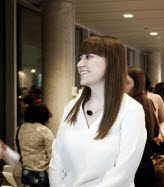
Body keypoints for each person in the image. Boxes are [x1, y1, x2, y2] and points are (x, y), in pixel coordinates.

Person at [49, 36, 147, 187]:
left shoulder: (131, 110)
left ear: (111, 61)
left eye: (88, 57)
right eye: (80, 57)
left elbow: (123, 173)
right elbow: (56, 162)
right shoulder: (72, 107)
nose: (79, 64)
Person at [126, 66, 158, 187]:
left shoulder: (130, 105)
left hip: (134, 165)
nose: (123, 85)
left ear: (137, 85)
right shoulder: (147, 102)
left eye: (127, 82)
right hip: (145, 163)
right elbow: (155, 132)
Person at [13, 103, 54, 187]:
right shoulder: (45, 131)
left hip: (20, 173)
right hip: (39, 176)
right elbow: (52, 156)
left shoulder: (19, 129)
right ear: (45, 116)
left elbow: (17, 150)